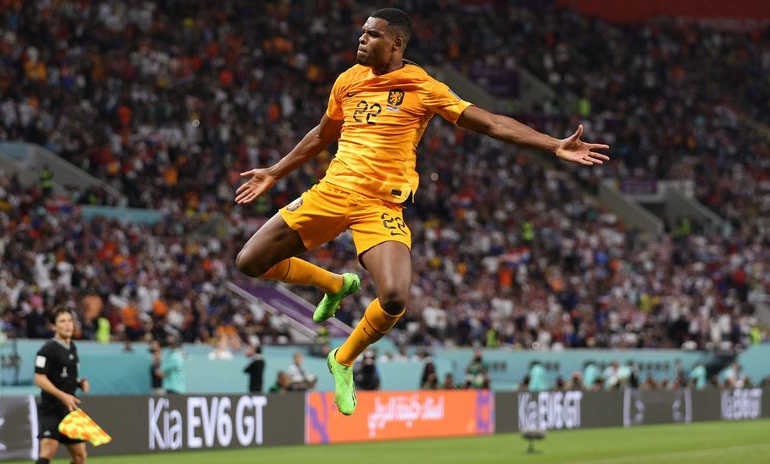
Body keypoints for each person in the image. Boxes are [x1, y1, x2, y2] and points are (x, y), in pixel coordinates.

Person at [234, 8, 610, 415]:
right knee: (250, 262)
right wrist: (274, 170)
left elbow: (491, 123)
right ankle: (334, 284)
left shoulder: (422, 86)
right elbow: (324, 133)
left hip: (379, 204)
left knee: (394, 298)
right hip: (330, 192)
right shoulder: (348, 80)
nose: (361, 39)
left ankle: (342, 359)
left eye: (372, 34)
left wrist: (553, 144)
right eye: (361, 32)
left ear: (396, 44)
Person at [33, 307, 90, 464]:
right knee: (48, 450)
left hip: (70, 410)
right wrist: (62, 395)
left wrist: (79, 383)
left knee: (80, 456)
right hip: (51, 409)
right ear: (53, 326)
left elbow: (63, 376)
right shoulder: (47, 350)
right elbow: (39, 378)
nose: (67, 325)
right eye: (62, 321)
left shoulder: (72, 347)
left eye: (70, 321)